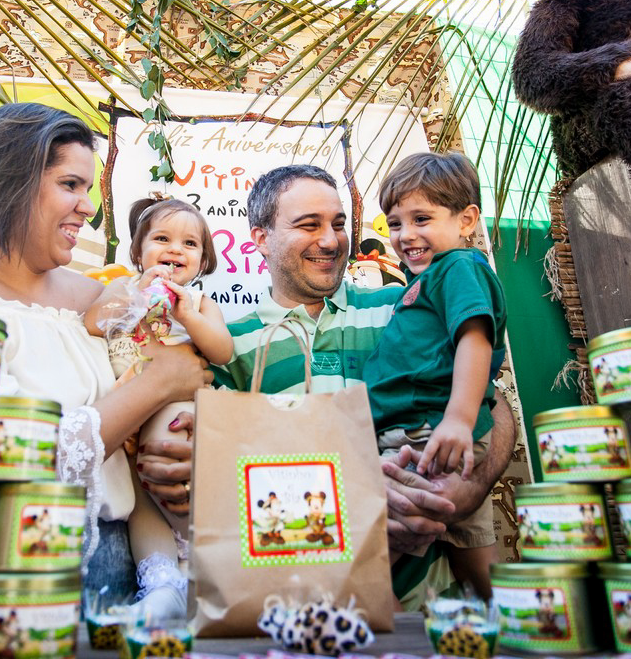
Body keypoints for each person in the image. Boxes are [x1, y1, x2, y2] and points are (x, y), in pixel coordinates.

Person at [0, 102, 211, 597]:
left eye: (89, 189)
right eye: (70, 185)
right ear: (8, 181)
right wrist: (158, 382)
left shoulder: (96, 298)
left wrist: (174, 453)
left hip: (118, 567)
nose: (88, 207)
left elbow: (130, 442)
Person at [141, 164, 516, 610]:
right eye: (309, 225)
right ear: (260, 238)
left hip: (433, 609)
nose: (330, 240)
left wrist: (462, 490)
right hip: (296, 605)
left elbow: (496, 405)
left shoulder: (405, 307)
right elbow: (220, 477)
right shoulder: (226, 344)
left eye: (338, 224)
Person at [362, 152, 506, 599]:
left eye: (421, 218)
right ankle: (507, 625)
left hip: (428, 433)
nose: (406, 235)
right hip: (434, 430)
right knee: (474, 554)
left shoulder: (459, 267)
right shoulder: (424, 278)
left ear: (466, 220)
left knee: (388, 542)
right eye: (396, 223)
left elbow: (475, 338)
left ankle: (343, 613)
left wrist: (458, 420)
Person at [84, 196, 232, 617]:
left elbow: (222, 351)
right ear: (138, 252)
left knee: (167, 476)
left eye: (189, 244)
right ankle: (162, 580)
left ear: (203, 262)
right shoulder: (121, 288)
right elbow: (93, 322)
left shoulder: (201, 304)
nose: (174, 250)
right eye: (162, 239)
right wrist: (136, 298)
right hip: (125, 412)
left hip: (174, 406)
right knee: (137, 502)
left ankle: (200, 561)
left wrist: (189, 317)